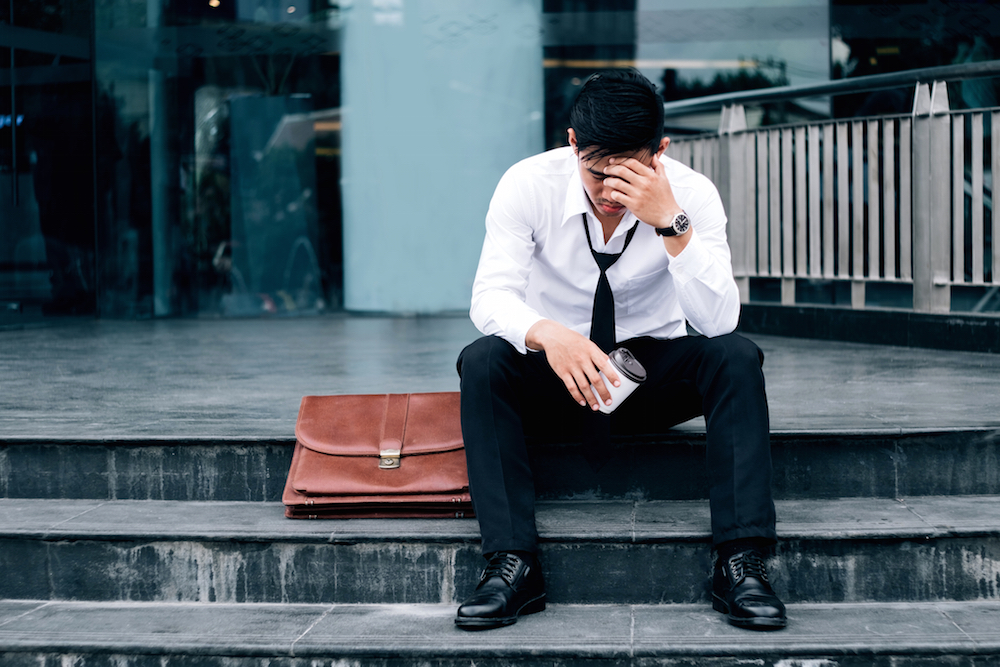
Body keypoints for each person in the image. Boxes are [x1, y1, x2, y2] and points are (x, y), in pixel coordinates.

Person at [454, 69, 785, 632]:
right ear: (572, 144)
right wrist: (547, 333)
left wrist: (671, 225)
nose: (610, 192)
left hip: (652, 376)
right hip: (558, 374)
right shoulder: (526, 185)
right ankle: (512, 563)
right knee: (482, 359)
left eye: (629, 174)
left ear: (660, 152)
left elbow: (718, 320)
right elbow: (489, 296)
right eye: (597, 171)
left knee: (736, 355)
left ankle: (740, 561)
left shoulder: (693, 194)